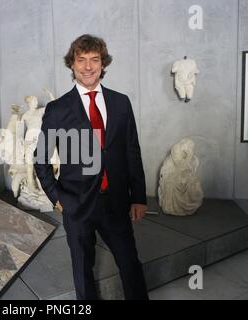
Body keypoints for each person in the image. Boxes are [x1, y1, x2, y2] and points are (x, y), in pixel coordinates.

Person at [34, 34, 149, 300]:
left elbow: (132, 151)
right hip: (77, 205)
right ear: (72, 65)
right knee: (83, 273)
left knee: (131, 266)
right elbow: (40, 159)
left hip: (117, 203)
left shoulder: (121, 103)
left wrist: (139, 197)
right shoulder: (57, 109)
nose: (88, 67)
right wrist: (58, 199)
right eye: (81, 60)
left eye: (94, 60)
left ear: (103, 64)